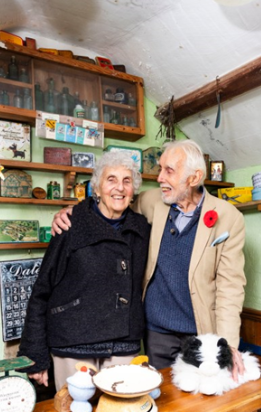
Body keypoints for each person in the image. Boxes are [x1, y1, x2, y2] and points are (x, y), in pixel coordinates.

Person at [54, 140, 247, 379]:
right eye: (160, 169)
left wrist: (229, 343)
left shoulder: (229, 218)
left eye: (169, 171)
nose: (159, 178)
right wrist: (73, 212)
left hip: (201, 331)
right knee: (164, 402)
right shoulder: (152, 201)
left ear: (194, 177)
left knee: (202, 403)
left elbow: (231, 287)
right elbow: (110, 201)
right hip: (156, 332)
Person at [18, 150, 149, 390]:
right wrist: (34, 354)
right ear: (96, 188)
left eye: (127, 181)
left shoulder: (141, 229)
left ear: (133, 191)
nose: (119, 188)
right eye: (111, 180)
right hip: (72, 343)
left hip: (123, 343)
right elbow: (41, 291)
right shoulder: (71, 224)